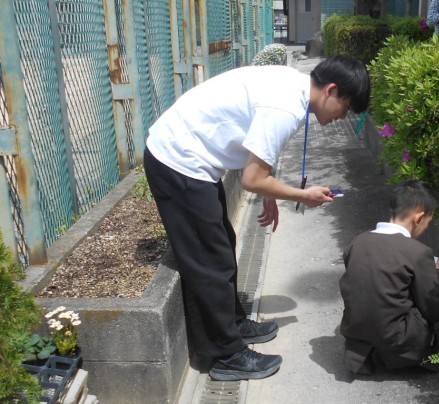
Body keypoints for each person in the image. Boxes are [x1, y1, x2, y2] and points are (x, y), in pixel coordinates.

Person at [143, 55, 370, 381]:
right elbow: (252, 179)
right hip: (177, 161)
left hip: (190, 157)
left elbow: (260, 152)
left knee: (223, 243)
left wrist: (271, 193)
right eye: (345, 107)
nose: (342, 117)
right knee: (209, 261)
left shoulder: (294, 87)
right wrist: (302, 195)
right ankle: (224, 355)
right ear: (331, 90)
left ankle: (233, 324)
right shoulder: (285, 108)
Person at [339, 180, 439, 375]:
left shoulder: (357, 242)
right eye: (428, 222)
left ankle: (365, 353)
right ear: (419, 218)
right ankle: (411, 353)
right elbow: (433, 309)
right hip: (397, 340)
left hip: (356, 331)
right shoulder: (418, 252)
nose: (426, 227)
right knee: (427, 299)